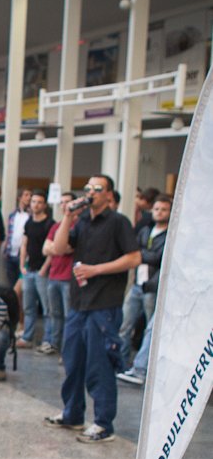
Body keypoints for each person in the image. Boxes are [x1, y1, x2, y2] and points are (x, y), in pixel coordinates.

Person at [44, 174, 139, 444]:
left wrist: (97, 269)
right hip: (79, 302)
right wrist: (67, 217)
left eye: (98, 189)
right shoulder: (82, 222)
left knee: (99, 365)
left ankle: (102, 423)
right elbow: (60, 248)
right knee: (73, 360)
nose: (91, 193)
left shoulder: (118, 223)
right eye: (88, 188)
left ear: (109, 195)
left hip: (104, 305)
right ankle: (72, 413)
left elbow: (134, 257)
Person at [118, 192, 170, 369]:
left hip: (152, 288)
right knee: (125, 325)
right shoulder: (145, 230)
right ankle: (120, 363)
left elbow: (158, 258)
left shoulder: (169, 236)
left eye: (164, 209)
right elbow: (132, 250)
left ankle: (142, 368)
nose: (160, 212)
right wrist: (139, 255)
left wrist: (138, 255)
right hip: (137, 285)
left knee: (151, 330)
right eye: (157, 209)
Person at [18, 191, 53, 351]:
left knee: (47, 308)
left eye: (39, 202)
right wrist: (22, 265)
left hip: (42, 271)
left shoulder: (50, 224)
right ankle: (27, 336)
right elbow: (24, 244)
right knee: (28, 306)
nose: (35, 205)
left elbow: (52, 249)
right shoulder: (29, 223)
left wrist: (44, 268)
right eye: (33, 202)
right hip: (29, 269)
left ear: (44, 205)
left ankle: (48, 339)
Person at [44, 199, 75, 355]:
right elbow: (46, 249)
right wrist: (58, 247)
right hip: (54, 275)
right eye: (62, 202)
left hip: (69, 277)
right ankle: (54, 344)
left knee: (69, 315)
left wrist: (56, 247)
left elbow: (65, 248)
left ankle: (67, 349)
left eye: (68, 202)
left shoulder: (78, 226)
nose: (64, 205)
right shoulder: (56, 226)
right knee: (54, 314)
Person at [2, 188, 31, 292]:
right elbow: (10, 233)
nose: (29, 198)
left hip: (23, 254)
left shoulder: (31, 215)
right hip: (11, 253)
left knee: (21, 286)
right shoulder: (13, 215)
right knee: (11, 282)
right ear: (20, 197)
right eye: (26, 195)